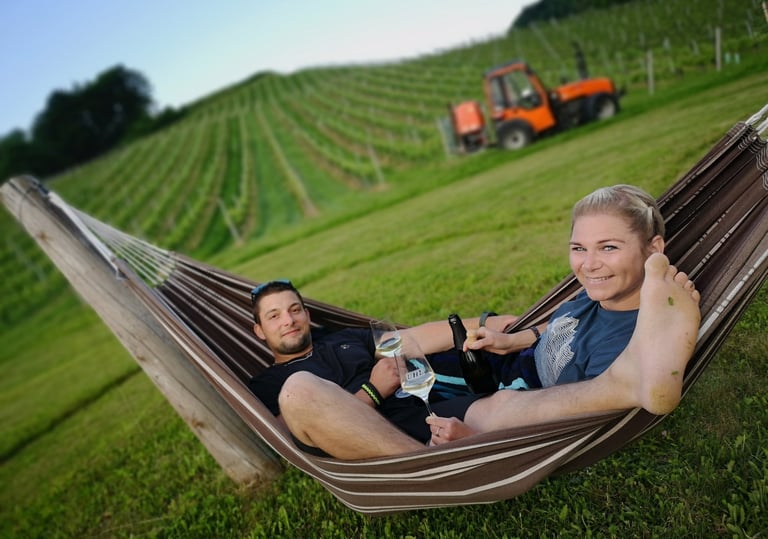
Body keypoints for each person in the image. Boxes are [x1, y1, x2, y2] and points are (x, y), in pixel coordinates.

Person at [250, 185, 702, 459]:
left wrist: (496, 331)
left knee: (492, 398)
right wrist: (372, 391)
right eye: (274, 316)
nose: (288, 320)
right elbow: (297, 430)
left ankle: (634, 375)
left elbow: (405, 339)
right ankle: (428, 467)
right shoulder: (273, 381)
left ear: (309, 314)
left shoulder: (343, 338)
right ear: (259, 332)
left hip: (449, 398)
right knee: (302, 389)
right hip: (386, 422)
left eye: (294, 309)